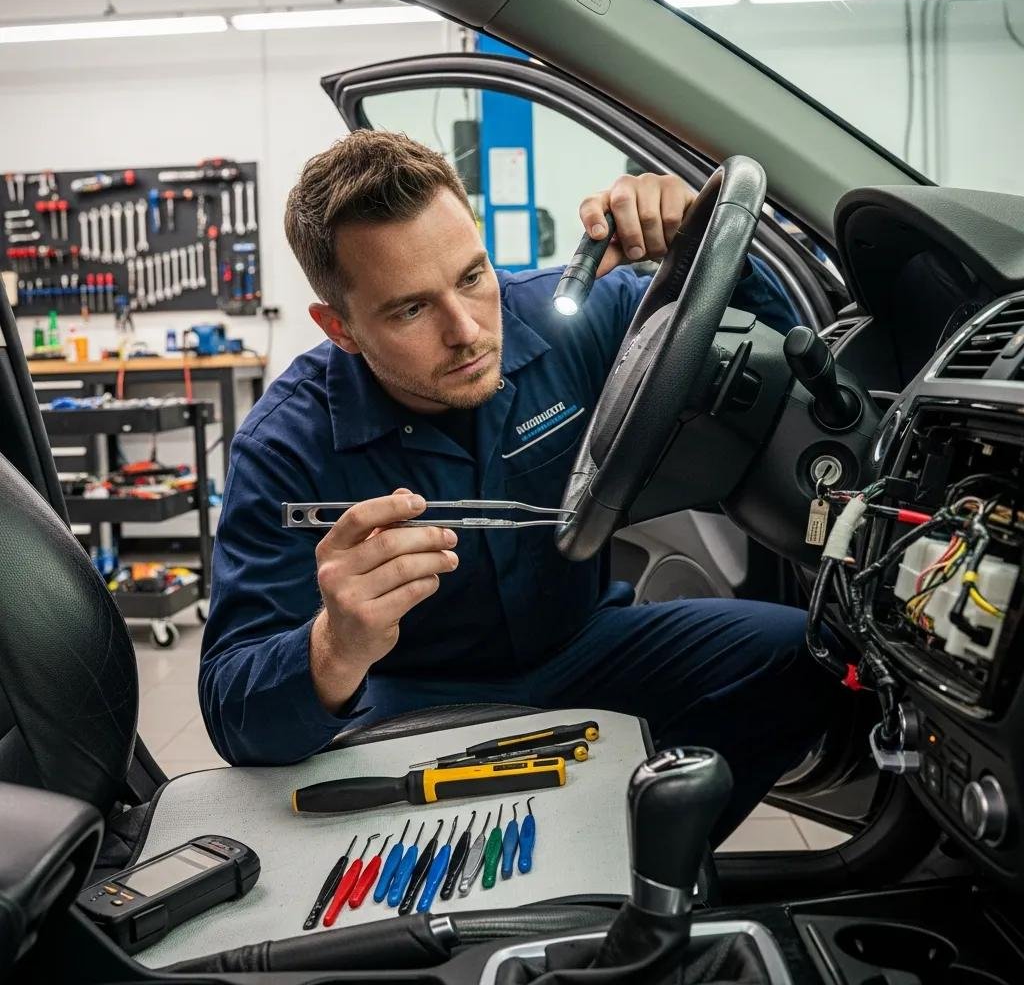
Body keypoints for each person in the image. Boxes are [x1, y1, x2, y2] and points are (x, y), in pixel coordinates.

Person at [200, 130, 834, 842]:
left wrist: (698, 244)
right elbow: (232, 707)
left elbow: (801, 371)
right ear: (339, 328)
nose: (467, 330)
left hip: (587, 645)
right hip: (411, 696)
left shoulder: (571, 317)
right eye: (410, 310)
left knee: (809, 656)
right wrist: (333, 645)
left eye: (472, 276)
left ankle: (651, 855)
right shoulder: (283, 447)